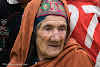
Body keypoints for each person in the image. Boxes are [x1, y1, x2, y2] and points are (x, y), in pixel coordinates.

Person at [7, 0, 94, 67]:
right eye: (48, 28)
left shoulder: (77, 60)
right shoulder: (20, 58)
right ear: (32, 32)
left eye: (62, 28)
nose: (56, 38)